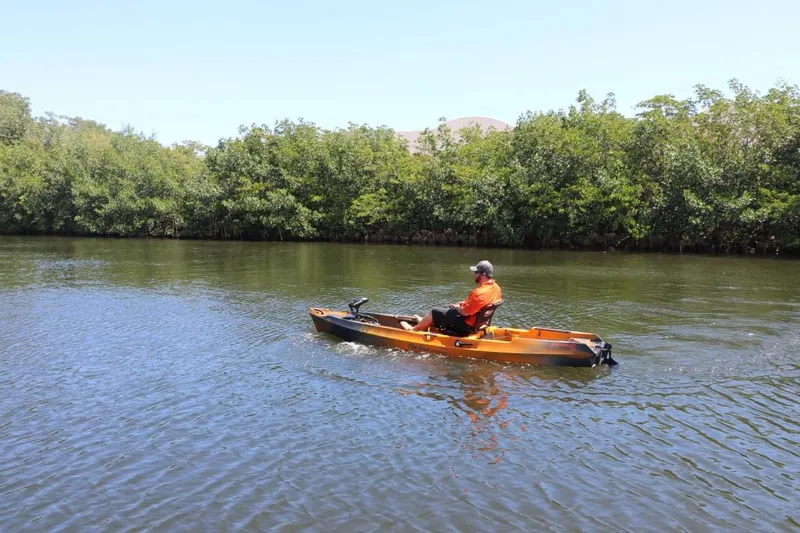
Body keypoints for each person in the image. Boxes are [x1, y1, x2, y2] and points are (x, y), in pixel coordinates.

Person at [401, 260, 502, 335]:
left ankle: (413, 330)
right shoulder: (496, 288)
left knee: (434, 311)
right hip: (478, 322)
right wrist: (460, 305)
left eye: (476, 272)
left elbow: (464, 312)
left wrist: (457, 307)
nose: (474, 274)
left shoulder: (479, 293)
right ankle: (425, 321)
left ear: (483, 274)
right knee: (448, 307)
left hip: (466, 325)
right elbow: (478, 303)